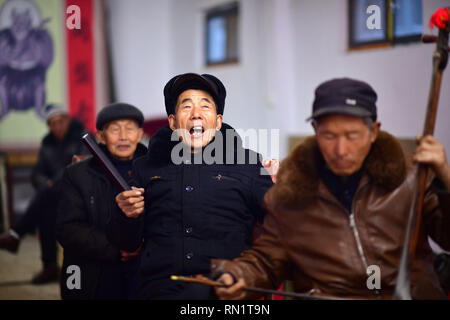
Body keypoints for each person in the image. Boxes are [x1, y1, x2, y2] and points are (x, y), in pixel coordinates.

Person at [213, 78, 450, 300]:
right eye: (329, 135)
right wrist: (236, 275)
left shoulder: (410, 180)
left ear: (374, 131)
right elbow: (266, 260)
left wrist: (445, 178)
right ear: (315, 130)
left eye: (352, 135)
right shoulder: (291, 194)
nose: (341, 150)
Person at [108, 73, 274, 299]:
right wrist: (126, 215)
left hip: (227, 286)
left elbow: (280, 222)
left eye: (205, 106)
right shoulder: (144, 167)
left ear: (217, 121)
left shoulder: (249, 163)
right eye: (186, 107)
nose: (196, 114)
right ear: (173, 122)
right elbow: (126, 242)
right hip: (161, 288)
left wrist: (285, 189)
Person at [56, 103, 147, 300]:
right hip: (97, 271)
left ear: (140, 134)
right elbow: (67, 229)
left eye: (129, 129)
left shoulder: (154, 171)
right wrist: (117, 250)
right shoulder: (77, 174)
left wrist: (140, 246)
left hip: (144, 270)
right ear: (100, 136)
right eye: (114, 129)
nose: (123, 136)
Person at [0, 104, 87, 284]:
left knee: (46, 197)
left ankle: (17, 234)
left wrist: (51, 183)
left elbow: (81, 166)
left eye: (60, 121)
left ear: (67, 120)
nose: (57, 126)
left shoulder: (82, 137)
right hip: (55, 194)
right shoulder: (47, 143)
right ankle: (50, 267)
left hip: (80, 191)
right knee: (46, 206)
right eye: (52, 123)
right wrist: (45, 183)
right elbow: (36, 173)